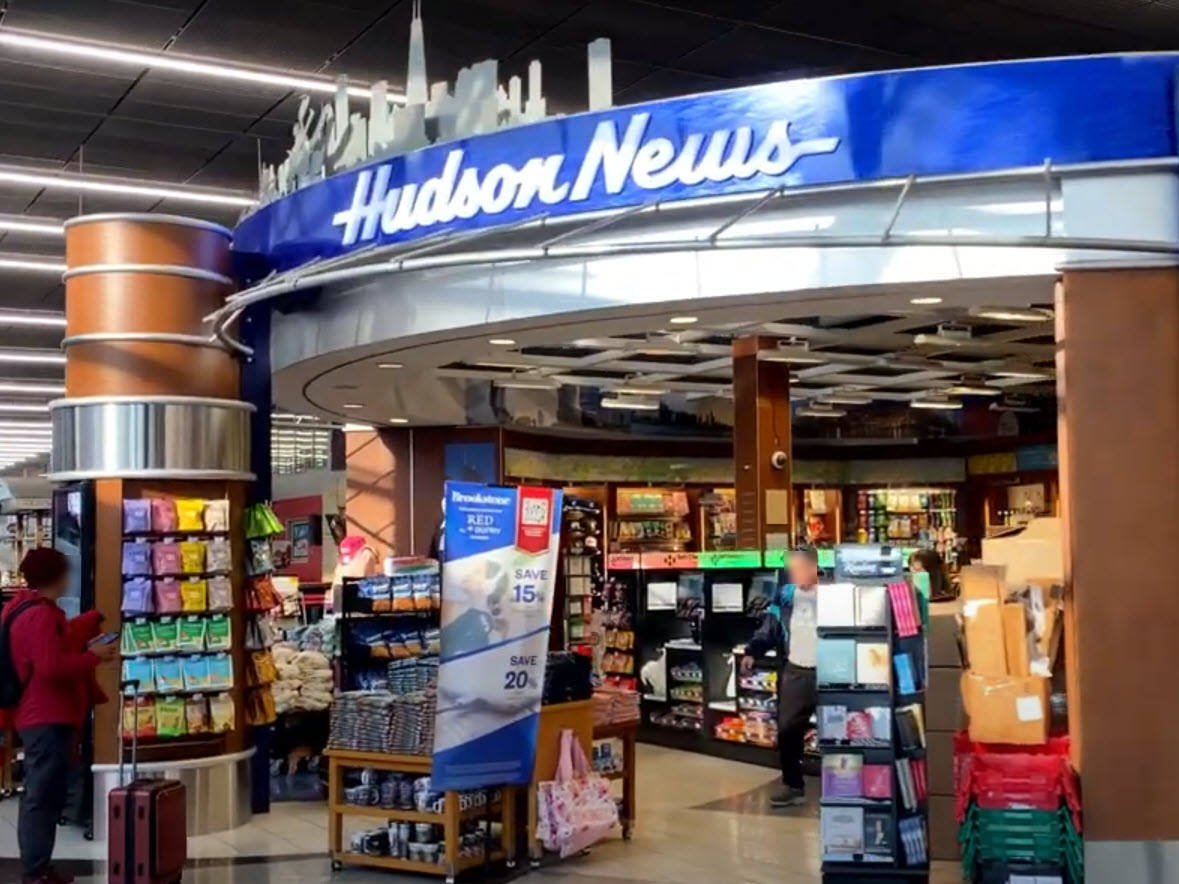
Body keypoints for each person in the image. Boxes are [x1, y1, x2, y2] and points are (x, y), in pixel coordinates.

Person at [1, 548, 116, 884]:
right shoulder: (40, 615)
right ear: (58, 576)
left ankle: (39, 866)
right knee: (43, 796)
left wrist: (87, 626)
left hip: (37, 714)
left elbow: (49, 650)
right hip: (46, 716)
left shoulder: (22, 608)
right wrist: (92, 656)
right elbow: (51, 667)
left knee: (45, 794)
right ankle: (35, 871)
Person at [742, 546, 820, 807]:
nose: (794, 573)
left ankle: (840, 790)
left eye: (798, 568)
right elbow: (770, 627)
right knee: (788, 731)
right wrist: (753, 650)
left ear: (813, 567)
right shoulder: (786, 596)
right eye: (791, 569)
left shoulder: (831, 595)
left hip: (828, 672)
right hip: (796, 671)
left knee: (835, 732)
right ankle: (793, 785)